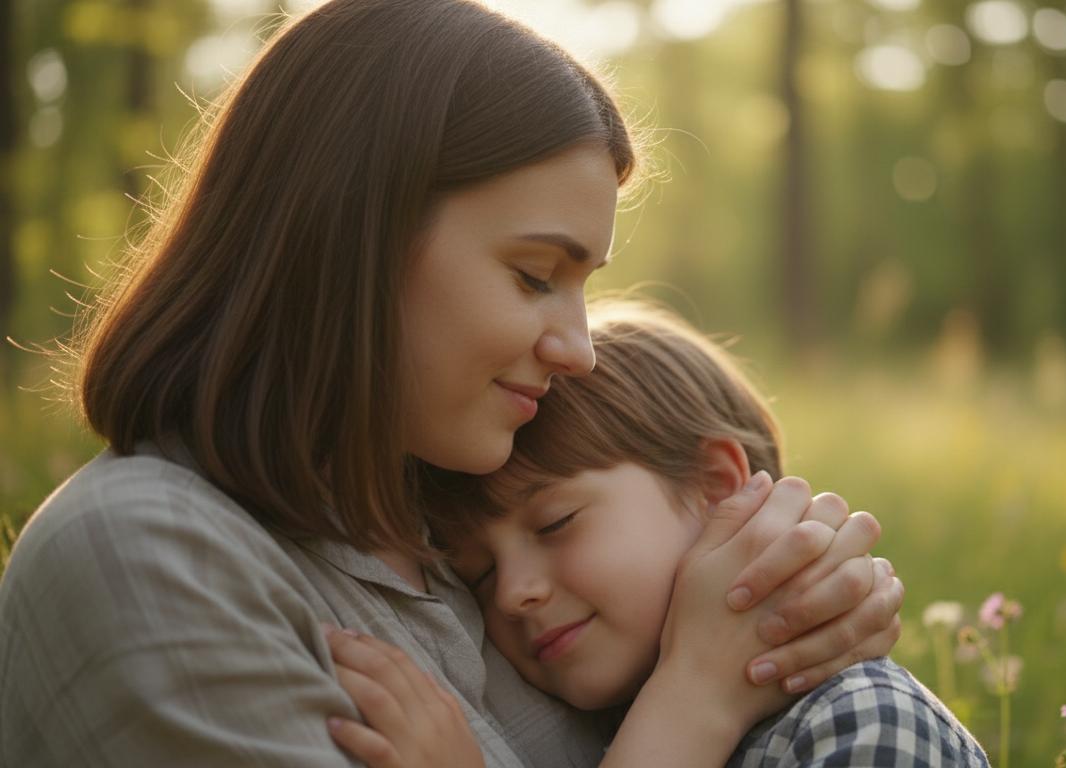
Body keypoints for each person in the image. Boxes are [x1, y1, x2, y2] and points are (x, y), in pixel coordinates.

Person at [0, 2, 905, 767]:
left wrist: (793, 625)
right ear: (357, 239)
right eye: (534, 274)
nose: (579, 350)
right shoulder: (152, 556)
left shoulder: (446, 534)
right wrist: (700, 696)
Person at [324, 301, 989, 767]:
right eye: (481, 575)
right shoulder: (589, 736)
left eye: (556, 523)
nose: (513, 595)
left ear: (715, 484)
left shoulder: (861, 725)